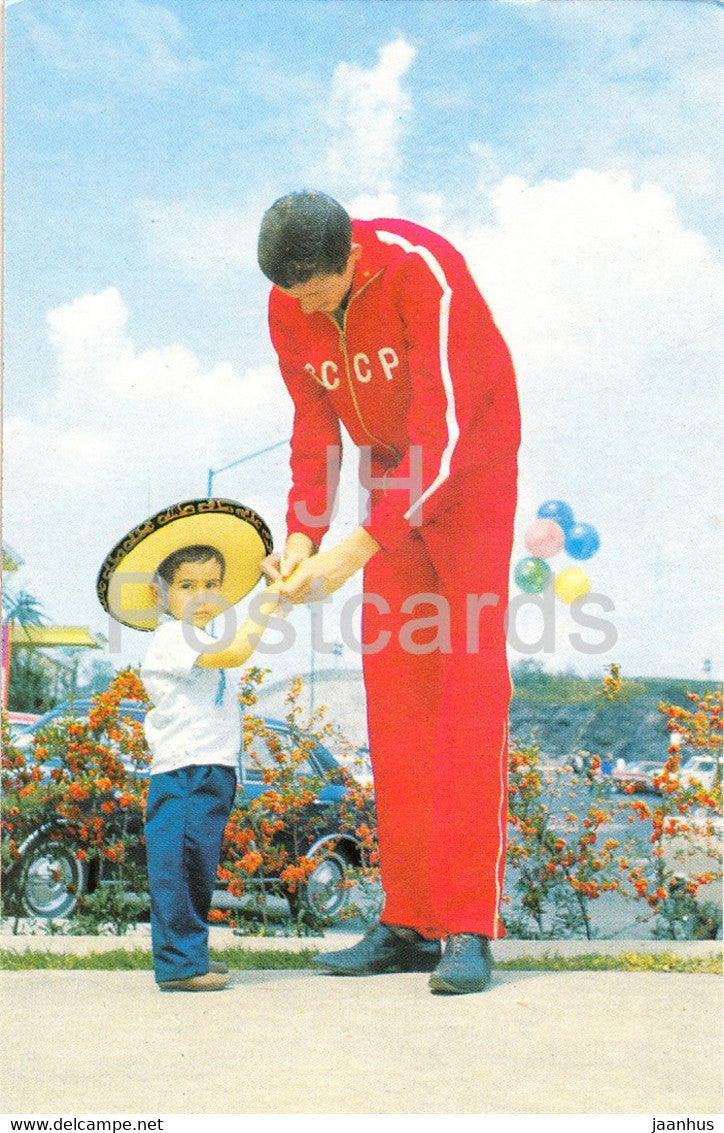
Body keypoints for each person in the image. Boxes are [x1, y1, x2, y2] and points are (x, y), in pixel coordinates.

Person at [257, 191, 521, 994]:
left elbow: (440, 432)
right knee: (397, 698)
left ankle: (468, 927)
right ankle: (409, 920)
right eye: (291, 297)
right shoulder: (287, 306)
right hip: (385, 476)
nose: (302, 308)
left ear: (350, 260)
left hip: (465, 469)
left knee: (466, 693)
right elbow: (313, 430)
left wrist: (360, 545)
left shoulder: (420, 271)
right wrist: (303, 536)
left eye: (316, 293)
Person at [96, 501, 280, 991]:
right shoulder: (174, 636)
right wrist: (271, 600)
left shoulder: (197, 636)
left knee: (197, 865)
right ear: (160, 594)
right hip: (183, 772)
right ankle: (179, 965)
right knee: (177, 864)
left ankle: (190, 952)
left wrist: (268, 589)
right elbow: (239, 649)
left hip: (213, 768)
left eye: (212, 585)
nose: (203, 596)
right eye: (187, 586)